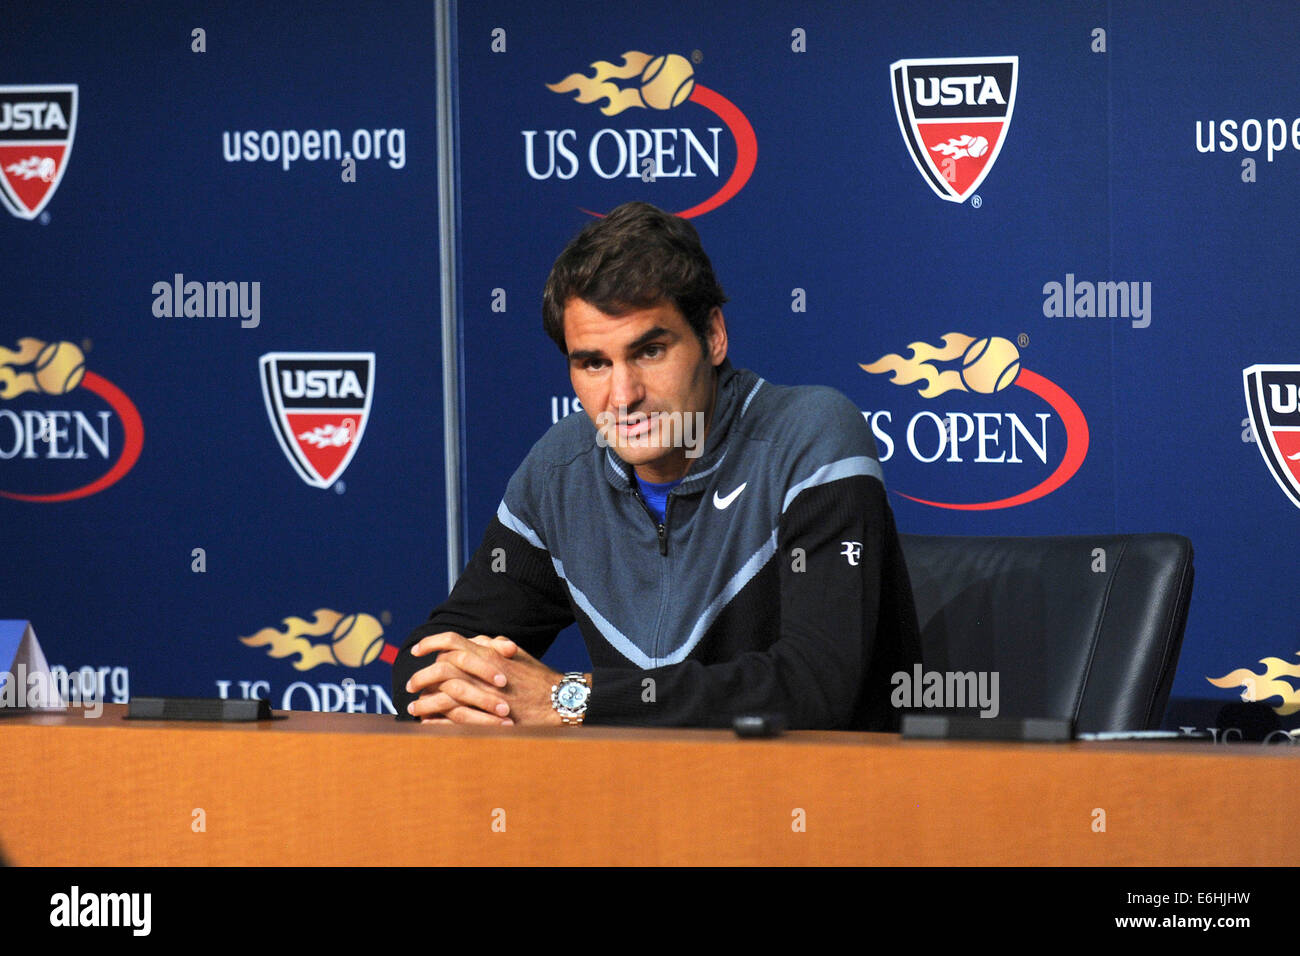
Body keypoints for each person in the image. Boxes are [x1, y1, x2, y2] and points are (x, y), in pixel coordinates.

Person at [392, 201, 920, 729]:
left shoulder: (807, 437)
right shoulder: (562, 471)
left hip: (822, 799)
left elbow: (815, 686)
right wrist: (472, 687)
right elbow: (428, 657)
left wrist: (569, 698)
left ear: (713, 336)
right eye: (594, 363)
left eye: (649, 351)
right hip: (648, 800)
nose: (623, 396)